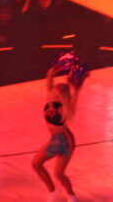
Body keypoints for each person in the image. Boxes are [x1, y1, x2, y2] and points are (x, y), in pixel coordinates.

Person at [31, 65, 79, 201]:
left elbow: (72, 101)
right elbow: (50, 77)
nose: (53, 91)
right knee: (36, 164)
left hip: (65, 141)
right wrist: (56, 68)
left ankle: (71, 195)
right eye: (54, 90)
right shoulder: (50, 100)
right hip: (54, 140)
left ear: (62, 96)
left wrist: (77, 87)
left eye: (57, 92)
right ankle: (53, 191)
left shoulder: (65, 109)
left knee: (59, 174)